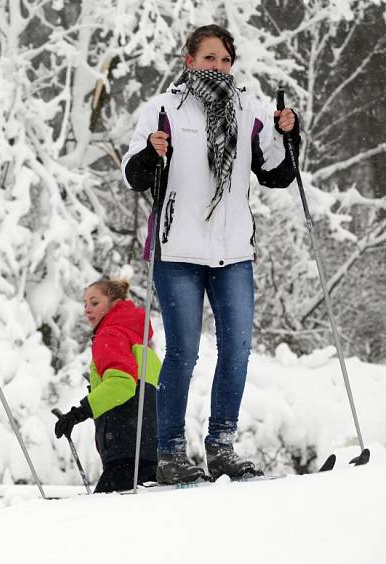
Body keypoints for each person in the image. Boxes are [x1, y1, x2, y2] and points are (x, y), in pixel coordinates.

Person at [121, 24, 299, 485]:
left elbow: (277, 176)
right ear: (189, 61)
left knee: (237, 351)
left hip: (233, 249)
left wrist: (286, 136)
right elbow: (134, 175)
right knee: (182, 353)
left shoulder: (250, 111)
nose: (217, 67)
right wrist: (149, 153)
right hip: (177, 248)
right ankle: (171, 452)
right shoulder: (163, 109)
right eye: (209, 58)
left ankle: (221, 446)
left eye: (224, 60)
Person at [53, 278, 160, 493]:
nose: (87, 310)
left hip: (124, 449)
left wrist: (77, 413)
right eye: (84, 304)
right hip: (149, 450)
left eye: (94, 303)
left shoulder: (110, 335)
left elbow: (121, 385)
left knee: (98, 517)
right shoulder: (138, 340)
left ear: (114, 303)